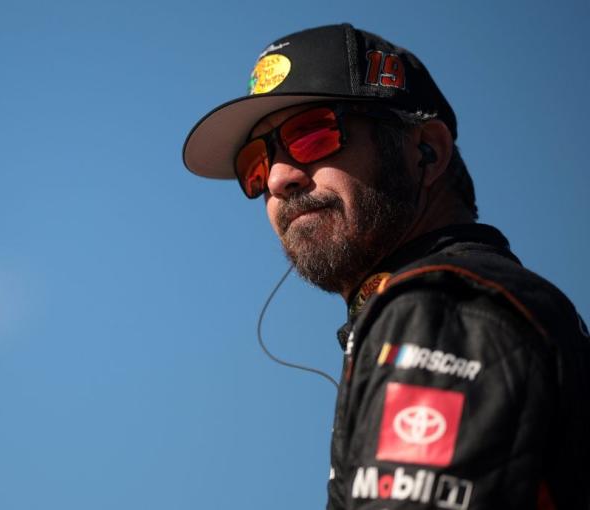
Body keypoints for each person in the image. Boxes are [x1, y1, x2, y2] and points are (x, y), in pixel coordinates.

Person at [182, 23, 590, 509]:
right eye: (256, 164)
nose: (279, 180)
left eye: (312, 135)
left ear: (427, 152)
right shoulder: (454, 304)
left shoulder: (443, 306)